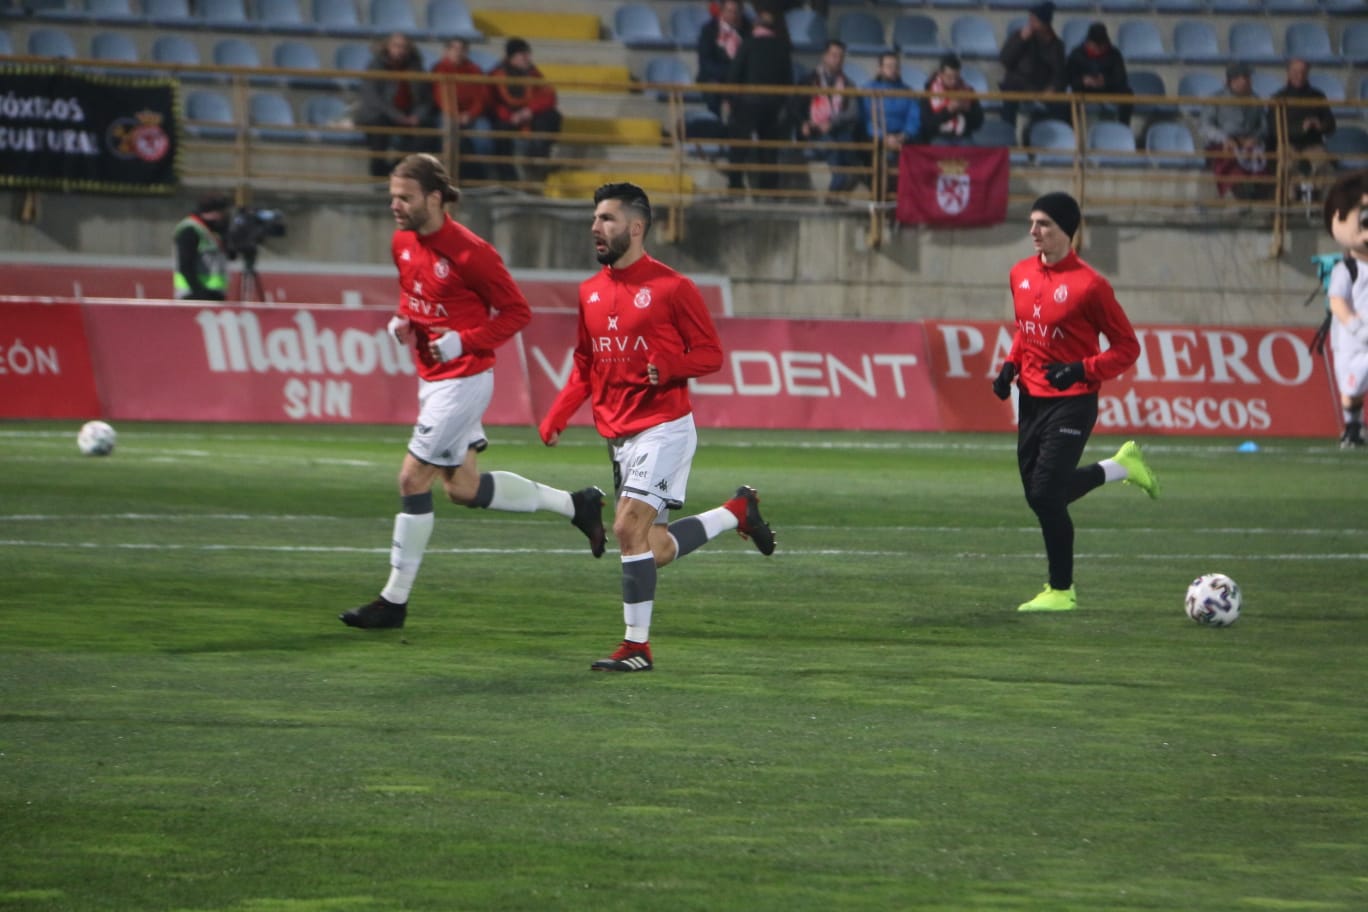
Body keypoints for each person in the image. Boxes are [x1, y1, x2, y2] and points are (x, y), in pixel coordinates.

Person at [341, 154, 606, 630]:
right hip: (433, 379)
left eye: (405, 197)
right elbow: (412, 290)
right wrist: (406, 319)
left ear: (435, 197)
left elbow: (516, 313)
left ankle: (393, 601)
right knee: (462, 488)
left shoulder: (470, 252)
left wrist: (465, 340)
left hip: (463, 382)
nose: (395, 206)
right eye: (392, 197)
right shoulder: (402, 242)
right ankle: (576, 504)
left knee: (410, 481)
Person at [538, 182, 776, 671]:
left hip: (664, 427)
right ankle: (737, 511)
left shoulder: (672, 288)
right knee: (652, 547)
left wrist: (668, 367)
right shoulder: (589, 292)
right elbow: (585, 362)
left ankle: (636, 648)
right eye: (595, 218)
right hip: (619, 436)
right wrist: (559, 412)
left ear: (636, 227)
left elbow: (711, 354)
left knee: (625, 526)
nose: (595, 227)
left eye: (606, 218)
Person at [990, 191, 1159, 613]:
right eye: (1032, 223)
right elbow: (1025, 329)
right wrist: (1009, 366)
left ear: (1066, 230)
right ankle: (1122, 467)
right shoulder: (1019, 273)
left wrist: (1082, 369)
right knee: (1040, 494)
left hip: (1073, 402)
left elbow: (1127, 347)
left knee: (1046, 494)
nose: (1033, 231)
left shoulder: (1091, 286)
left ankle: (1061, 590)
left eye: (1043, 224)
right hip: (1030, 399)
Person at [724, 7, 794, 194]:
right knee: (769, 149)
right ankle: (768, 189)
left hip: (748, 103)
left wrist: (731, 99)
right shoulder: (783, 47)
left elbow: (734, 73)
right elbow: (788, 79)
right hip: (773, 105)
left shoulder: (749, 44)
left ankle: (735, 185)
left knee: (739, 147)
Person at [1322, 170, 1368, 447]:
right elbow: (1336, 300)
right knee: (1351, 388)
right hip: (1350, 341)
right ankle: (1353, 428)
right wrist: (1354, 326)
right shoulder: (1347, 268)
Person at [355, 32, 438, 178]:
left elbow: (426, 99)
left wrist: (416, 116)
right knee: (379, 130)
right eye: (396, 46)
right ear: (388, 47)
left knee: (428, 134)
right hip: (382, 114)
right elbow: (373, 99)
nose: (400, 50)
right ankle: (378, 175)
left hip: (409, 114)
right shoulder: (376, 66)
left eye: (404, 47)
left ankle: (396, 170)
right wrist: (397, 116)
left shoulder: (417, 68)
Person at [487, 37, 562, 183]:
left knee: (551, 116)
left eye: (527, 54)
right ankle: (507, 177)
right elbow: (492, 102)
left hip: (527, 117)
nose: (527, 58)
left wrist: (529, 111)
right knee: (500, 130)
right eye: (523, 54)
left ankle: (540, 159)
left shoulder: (533, 73)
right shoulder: (496, 75)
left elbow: (549, 96)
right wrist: (510, 116)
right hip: (506, 118)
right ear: (512, 57)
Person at [793, 39, 863, 194]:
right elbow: (796, 107)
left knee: (849, 147)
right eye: (834, 55)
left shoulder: (848, 84)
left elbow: (853, 112)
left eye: (841, 57)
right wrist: (804, 123)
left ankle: (840, 188)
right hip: (815, 131)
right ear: (824, 56)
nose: (837, 60)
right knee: (831, 146)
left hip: (839, 130)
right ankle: (837, 185)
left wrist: (832, 123)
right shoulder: (808, 80)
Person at [1269, 57, 1337, 203]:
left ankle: (1323, 207)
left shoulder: (1318, 96)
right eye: (1295, 72)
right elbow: (1273, 129)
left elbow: (1331, 125)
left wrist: (1319, 125)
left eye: (1303, 72)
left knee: (1325, 165)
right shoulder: (1278, 97)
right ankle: (1287, 206)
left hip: (1313, 145)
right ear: (1288, 73)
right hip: (1287, 144)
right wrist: (1301, 128)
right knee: (1285, 166)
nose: (1299, 75)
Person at [1201, 62, 1270, 201]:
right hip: (1224, 144)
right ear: (1234, 80)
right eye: (1246, 77)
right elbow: (1206, 126)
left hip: (1249, 144)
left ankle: (1259, 195)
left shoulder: (1256, 100)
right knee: (1229, 163)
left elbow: (1264, 126)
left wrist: (1255, 138)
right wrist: (1224, 139)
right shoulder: (1215, 99)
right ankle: (1237, 196)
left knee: (1261, 167)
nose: (1249, 81)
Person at [998, 2, 1067, 138]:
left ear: (1045, 23)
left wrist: (1053, 87)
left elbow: (1060, 73)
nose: (1031, 23)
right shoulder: (1020, 36)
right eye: (1030, 19)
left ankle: (1037, 138)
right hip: (1017, 86)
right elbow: (1005, 59)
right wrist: (1020, 41)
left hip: (1041, 89)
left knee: (1063, 107)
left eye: (1035, 20)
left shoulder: (1056, 45)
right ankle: (1007, 139)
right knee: (1010, 101)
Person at [431, 37, 493, 184]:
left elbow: (482, 96)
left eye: (462, 49)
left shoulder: (475, 70)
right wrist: (454, 114)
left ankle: (482, 177)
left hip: (472, 115)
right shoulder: (439, 69)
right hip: (448, 113)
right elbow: (440, 95)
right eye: (454, 49)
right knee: (446, 134)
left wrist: (471, 114)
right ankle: (447, 176)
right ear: (447, 51)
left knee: (484, 137)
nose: (458, 53)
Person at [860, 52, 920, 190]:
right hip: (877, 137)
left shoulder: (908, 91)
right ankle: (880, 200)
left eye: (896, 66)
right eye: (889, 66)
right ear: (880, 68)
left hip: (902, 138)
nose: (893, 69)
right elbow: (867, 119)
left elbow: (913, 118)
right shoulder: (869, 89)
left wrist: (904, 135)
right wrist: (883, 137)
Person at [1065, 22, 1133, 128]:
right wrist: (1083, 81)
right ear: (1088, 42)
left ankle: (1123, 128)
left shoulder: (1114, 54)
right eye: (1096, 45)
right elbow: (1069, 78)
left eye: (1102, 44)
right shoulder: (1076, 54)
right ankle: (1071, 131)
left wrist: (1105, 81)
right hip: (1083, 90)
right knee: (1069, 98)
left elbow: (1120, 78)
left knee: (1127, 94)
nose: (1099, 48)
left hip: (1108, 89)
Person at [173, 193, 231, 301]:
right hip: (193, 294)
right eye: (222, 212)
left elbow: (230, 255)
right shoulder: (190, 230)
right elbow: (185, 264)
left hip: (213, 292)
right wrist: (199, 292)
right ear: (214, 212)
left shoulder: (212, 230)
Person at [697, 0, 751, 118]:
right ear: (721, 11)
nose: (733, 16)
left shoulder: (748, 30)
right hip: (715, 78)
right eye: (729, 11)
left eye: (736, 12)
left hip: (740, 81)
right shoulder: (709, 30)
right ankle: (716, 127)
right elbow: (706, 63)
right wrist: (730, 75)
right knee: (713, 91)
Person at [920, 53, 984, 145]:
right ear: (941, 74)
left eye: (956, 77)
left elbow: (978, 123)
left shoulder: (968, 91)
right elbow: (927, 125)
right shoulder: (929, 93)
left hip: (963, 136)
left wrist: (967, 110)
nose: (953, 81)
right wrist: (948, 111)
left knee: (969, 148)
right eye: (949, 77)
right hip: (938, 136)